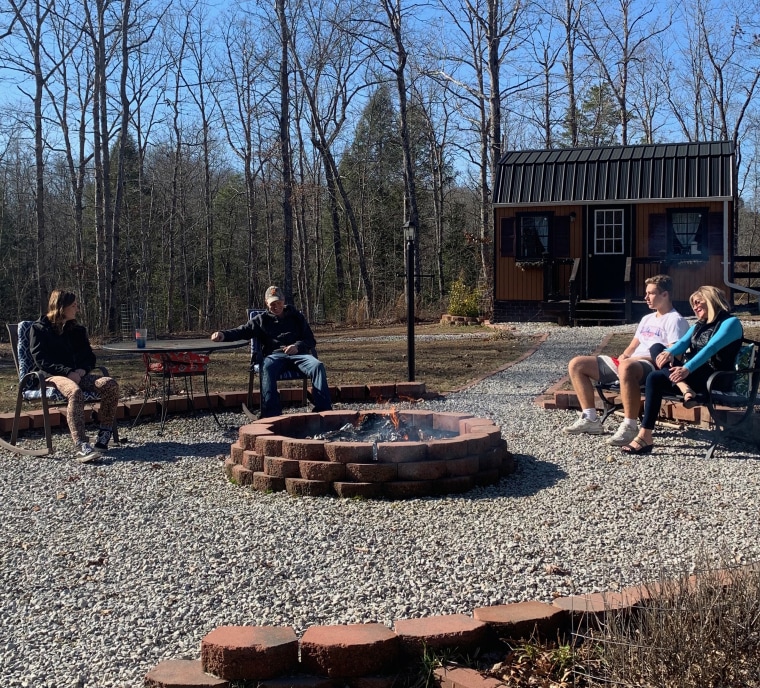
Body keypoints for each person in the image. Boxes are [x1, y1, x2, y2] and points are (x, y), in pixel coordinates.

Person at [563, 274, 689, 446]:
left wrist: (632, 360)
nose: (646, 298)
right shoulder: (647, 319)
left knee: (627, 367)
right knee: (577, 364)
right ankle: (590, 418)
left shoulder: (676, 320)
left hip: (651, 366)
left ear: (665, 295)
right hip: (630, 363)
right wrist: (625, 355)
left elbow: (674, 355)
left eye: (651, 293)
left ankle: (630, 426)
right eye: (646, 293)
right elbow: (632, 346)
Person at [620, 285, 744, 455]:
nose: (695, 307)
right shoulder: (699, 326)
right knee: (657, 353)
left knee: (657, 373)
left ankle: (683, 387)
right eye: (693, 304)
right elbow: (680, 345)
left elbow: (711, 348)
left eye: (699, 302)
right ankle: (645, 435)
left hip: (715, 377)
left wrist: (686, 369)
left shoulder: (731, 323)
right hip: (694, 375)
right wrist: (669, 352)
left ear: (711, 300)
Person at [211, 286, 332, 418]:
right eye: (272, 303)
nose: (276, 306)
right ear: (266, 303)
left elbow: (310, 339)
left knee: (317, 366)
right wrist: (223, 335)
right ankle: (271, 414)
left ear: (284, 300)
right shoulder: (261, 320)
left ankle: (324, 411)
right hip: (275, 356)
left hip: (299, 355)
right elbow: (243, 331)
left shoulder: (296, 316)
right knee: (267, 368)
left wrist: (297, 346)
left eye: (279, 302)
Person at [29, 290, 120, 463]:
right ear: (61, 307)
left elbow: (89, 357)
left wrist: (82, 370)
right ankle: (81, 445)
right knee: (75, 392)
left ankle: (104, 434)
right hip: (51, 376)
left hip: (78, 374)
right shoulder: (39, 329)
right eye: (73, 306)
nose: (77, 309)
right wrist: (67, 372)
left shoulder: (77, 330)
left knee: (110, 384)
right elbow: (41, 360)